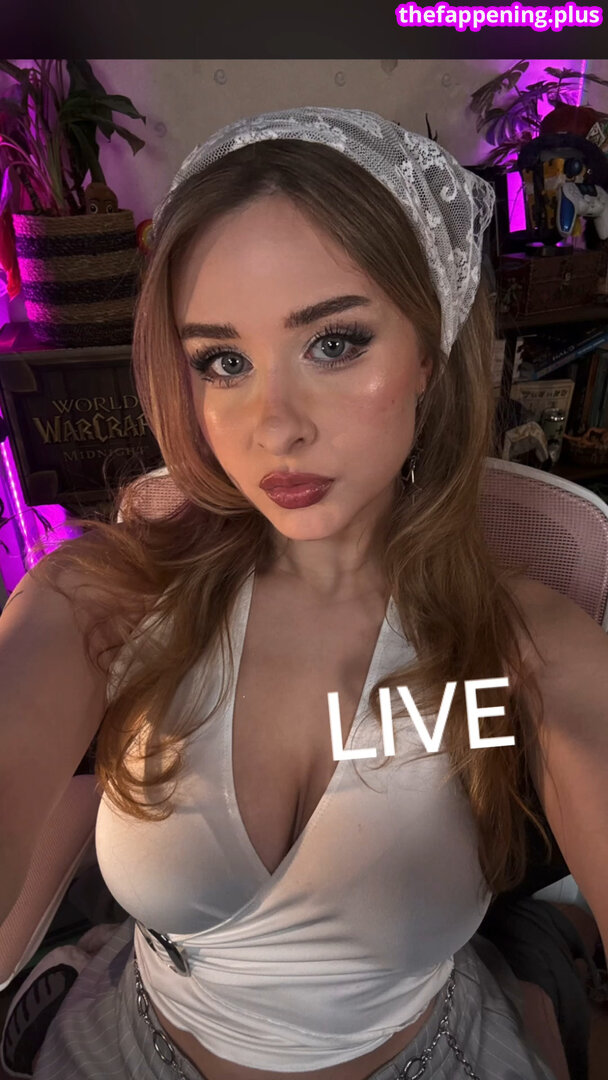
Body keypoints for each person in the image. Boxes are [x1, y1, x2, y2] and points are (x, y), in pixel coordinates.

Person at [0, 106, 607, 1080]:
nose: (272, 426)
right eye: (224, 362)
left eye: (333, 343)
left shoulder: (522, 644)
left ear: (429, 350)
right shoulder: (103, 599)